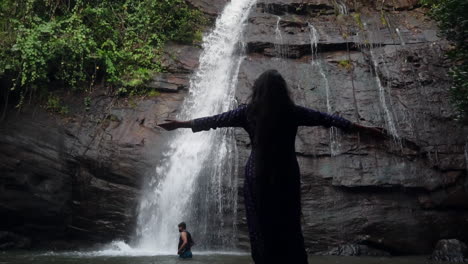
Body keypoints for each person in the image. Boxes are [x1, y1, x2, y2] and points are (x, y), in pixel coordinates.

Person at [159, 69, 386, 264]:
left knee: (260, 226)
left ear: (257, 90)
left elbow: (215, 120)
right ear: (282, 90)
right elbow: (328, 118)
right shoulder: (293, 112)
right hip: (286, 172)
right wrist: (362, 129)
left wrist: (180, 124)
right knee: (289, 223)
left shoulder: (248, 112)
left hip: (256, 174)